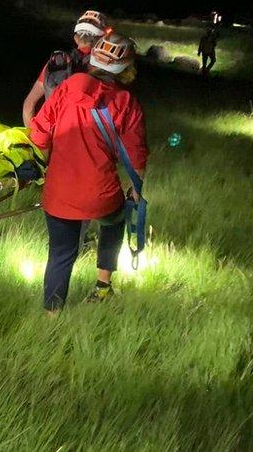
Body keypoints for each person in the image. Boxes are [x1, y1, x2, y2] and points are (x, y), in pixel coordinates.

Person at [28, 32, 148, 310]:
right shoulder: (127, 102)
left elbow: (39, 134)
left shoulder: (69, 87)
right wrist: (136, 188)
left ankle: (51, 313)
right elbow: (136, 155)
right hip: (101, 193)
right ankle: (103, 287)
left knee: (60, 253)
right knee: (114, 221)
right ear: (126, 68)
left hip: (59, 193)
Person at [22, 10, 107, 127]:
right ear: (102, 39)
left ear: (76, 38)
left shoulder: (57, 62)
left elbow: (28, 106)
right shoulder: (104, 66)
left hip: (54, 134)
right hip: (85, 136)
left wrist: (33, 140)